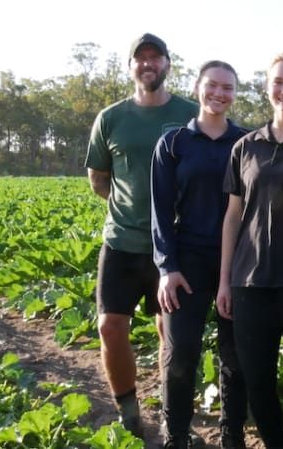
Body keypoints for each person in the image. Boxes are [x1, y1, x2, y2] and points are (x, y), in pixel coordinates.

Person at [84, 32, 198, 438]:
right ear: (131, 66)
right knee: (110, 326)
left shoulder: (191, 114)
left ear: (167, 64)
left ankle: (174, 417)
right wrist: (133, 210)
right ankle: (129, 410)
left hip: (176, 246)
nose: (148, 63)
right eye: (141, 58)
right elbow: (99, 178)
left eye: (156, 57)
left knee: (172, 333)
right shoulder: (111, 118)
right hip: (122, 242)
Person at [217, 52, 283, 449]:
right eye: (278, 82)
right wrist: (225, 281)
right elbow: (232, 217)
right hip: (250, 283)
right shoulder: (245, 147)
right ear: (266, 88)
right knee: (257, 383)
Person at [151, 60, 249, 449]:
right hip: (187, 260)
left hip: (238, 261)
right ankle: (175, 435)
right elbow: (160, 211)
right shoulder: (174, 143)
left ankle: (232, 436)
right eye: (212, 85)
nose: (219, 94)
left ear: (235, 94)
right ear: (197, 87)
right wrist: (167, 268)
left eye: (228, 88)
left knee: (235, 357)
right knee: (180, 353)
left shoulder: (246, 143)